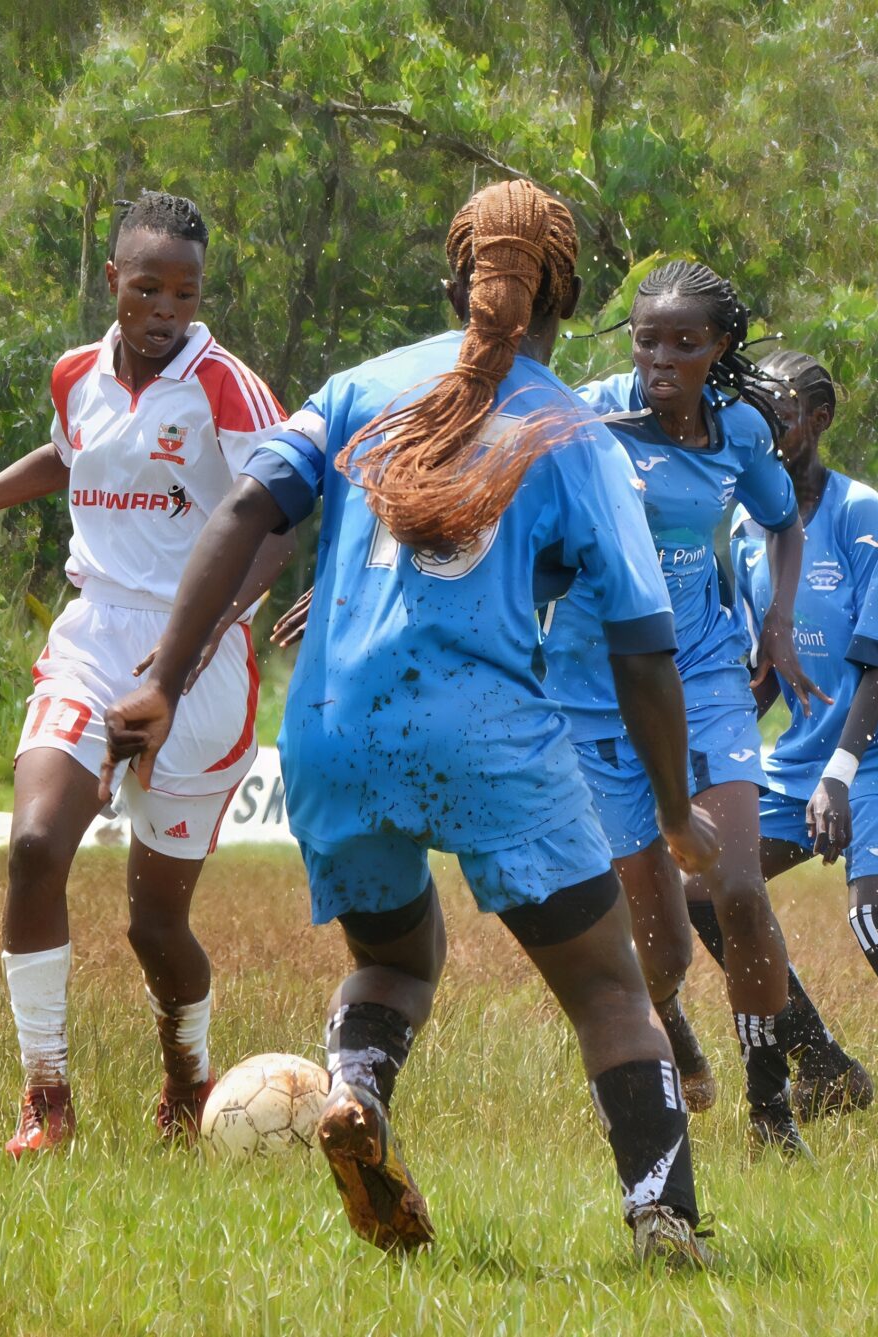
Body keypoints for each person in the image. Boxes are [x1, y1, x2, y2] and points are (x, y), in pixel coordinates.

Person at [104, 181, 719, 1267]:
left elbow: (251, 509)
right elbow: (644, 645)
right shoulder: (573, 432)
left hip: (337, 728)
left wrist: (165, 671)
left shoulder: (356, 388)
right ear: (562, 303)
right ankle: (664, 1219)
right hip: (483, 737)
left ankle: (357, 1091)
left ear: (453, 279)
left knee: (395, 964)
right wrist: (674, 809)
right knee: (610, 989)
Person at [0, 192, 292, 1156]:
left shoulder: (228, 388)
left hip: (203, 660)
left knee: (154, 926)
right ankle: (46, 1096)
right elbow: (67, 457)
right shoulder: (76, 375)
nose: (166, 307)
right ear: (113, 282)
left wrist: (199, 646)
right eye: (147, 287)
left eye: (185, 291)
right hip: (94, 637)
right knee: (34, 847)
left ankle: (189, 1076)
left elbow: (280, 521)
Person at [536, 261, 869, 1150]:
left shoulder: (742, 433)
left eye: (686, 343)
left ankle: (772, 1106)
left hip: (707, 675)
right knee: (665, 950)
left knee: (738, 889)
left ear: (719, 347)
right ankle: (670, 1014)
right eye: (649, 339)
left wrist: (780, 623)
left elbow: (783, 520)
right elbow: (494, 473)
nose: (662, 358)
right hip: (593, 692)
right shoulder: (589, 414)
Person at [732, 349, 878, 1127]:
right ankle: (824, 1065)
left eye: (783, 413)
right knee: (711, 892)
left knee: (875, 919)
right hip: (805, 757)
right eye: (755, 414)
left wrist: (840, 773)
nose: (768, 429)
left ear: (819, 421)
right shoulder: (743, 524)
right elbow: (765, 671)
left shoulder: (858, 511)